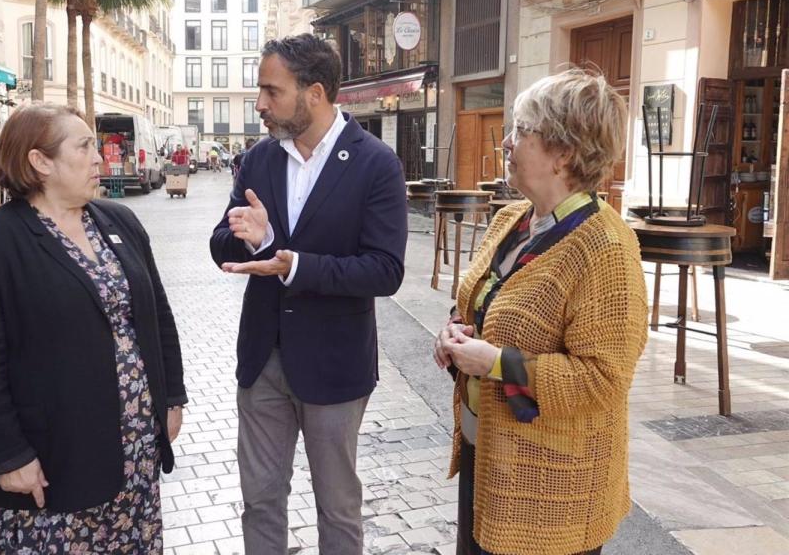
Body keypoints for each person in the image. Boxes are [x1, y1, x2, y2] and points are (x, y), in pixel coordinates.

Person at [0, 103, 187, 554]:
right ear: (40, 161)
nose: (100, 158)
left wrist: (171, 396)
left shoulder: (120, 222)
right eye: (85, 146)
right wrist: (7, 456)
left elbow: (157, 318)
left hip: (131, 456)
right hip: (50, 467)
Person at [433, 69, 648, 555]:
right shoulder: (512, 218)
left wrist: (491, 362)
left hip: (556, 493)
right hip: (487, 457)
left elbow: (603, 380)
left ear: (564, 153)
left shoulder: (606, 248)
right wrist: (454, 334)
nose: (507, 142)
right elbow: (482, 305)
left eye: (522, 130)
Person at [210, 34, 407, 555]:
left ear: (314, 92)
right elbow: (222, 244)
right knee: (260, 500)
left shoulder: (376, 164)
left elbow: (385, 271)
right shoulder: (258, 161)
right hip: (263, 361)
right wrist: (254, 237)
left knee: (337, 508)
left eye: (271, 91)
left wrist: (294, 264)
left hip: (335, 366)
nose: (259, 104)